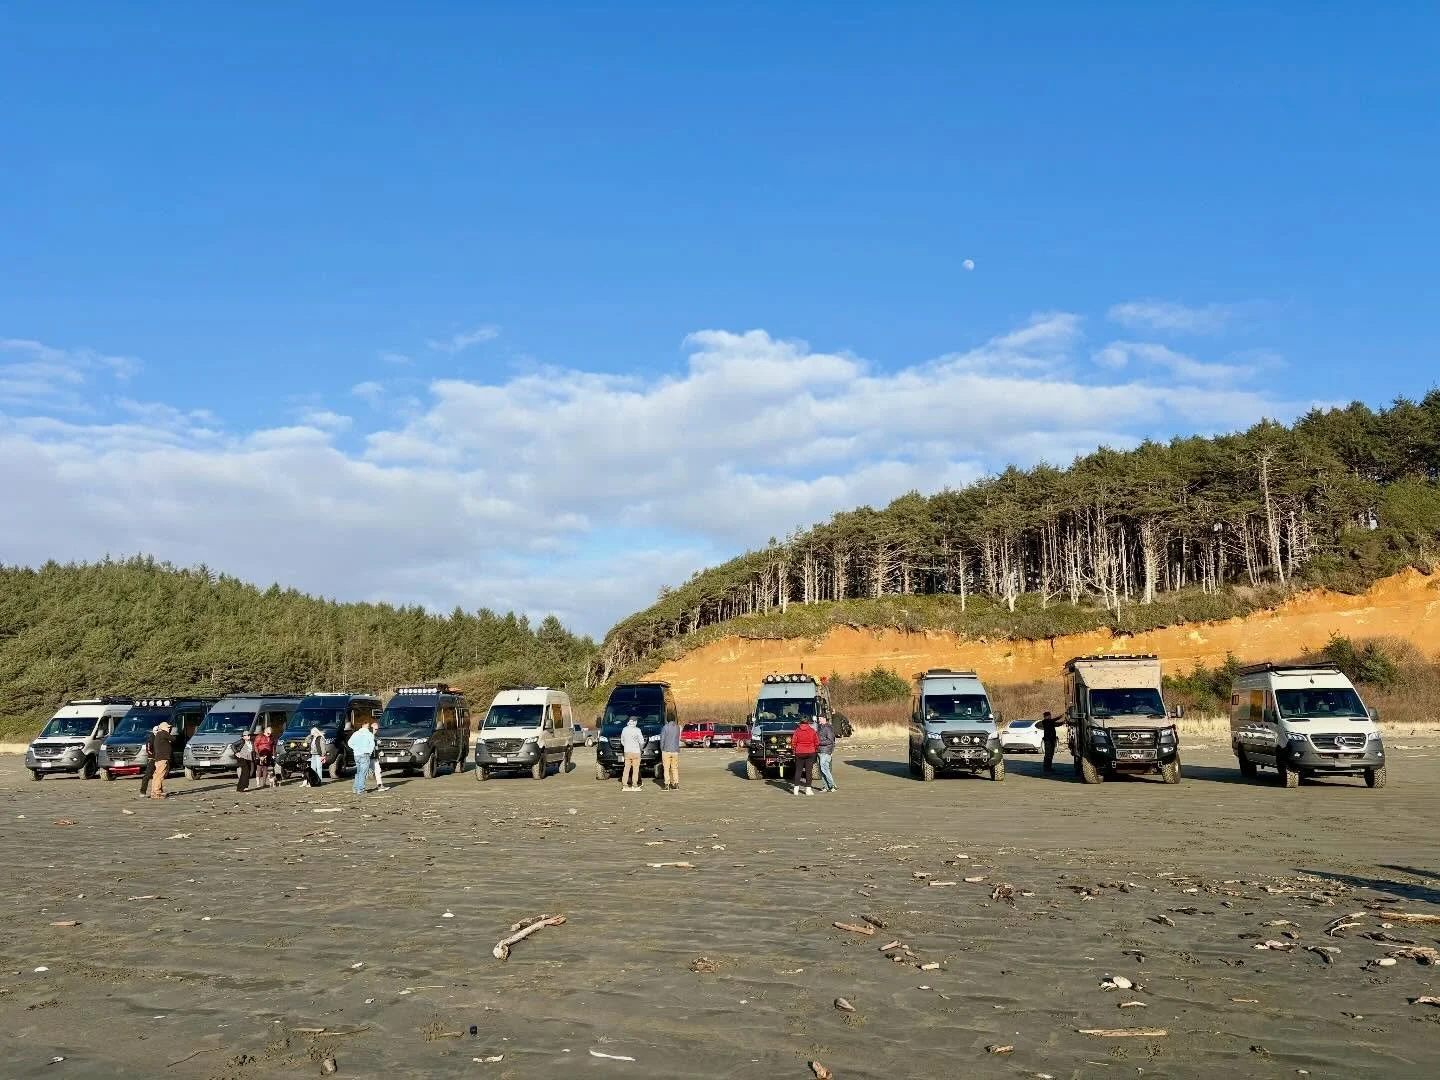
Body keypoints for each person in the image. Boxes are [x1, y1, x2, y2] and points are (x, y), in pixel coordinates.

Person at [791, 715, 819, 796]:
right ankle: (808, 789)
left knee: (798, 770)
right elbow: (816, 742)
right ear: (808, 722)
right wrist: (815, 749)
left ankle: (796, 789)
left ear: (800, 722)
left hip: (799, 752)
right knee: (808, 771)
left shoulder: (797, 731)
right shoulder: (812, 731)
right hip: (810, 752)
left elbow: (793, 742)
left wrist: (794, 750)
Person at [349, 719, 376, 795]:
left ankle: (355, 788)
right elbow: (372, 745)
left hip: (357, 754)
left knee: (358, 772)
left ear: (362, 725)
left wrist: (355, 748)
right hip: (365, 754)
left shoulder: (355, 733)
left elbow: (349, 743)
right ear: (367, 726)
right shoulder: (369, 734)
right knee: (363, 773)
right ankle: (360, 789)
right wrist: (370, 752)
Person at [149, 720, 173, 799]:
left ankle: (155, 791)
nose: (169, 729)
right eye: (168, 727)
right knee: (160, 775)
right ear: (163, 728)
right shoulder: (163, 733)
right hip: (163, 758)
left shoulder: (159, 734)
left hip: (159, 758)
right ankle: (157, 793)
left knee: (156, 775)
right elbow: (173, 738)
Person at [619, 716, 645, 791]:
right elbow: (641, 742)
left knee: (626, 769)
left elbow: (622, 741)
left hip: (627, 752)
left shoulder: (624, 729)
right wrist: (641, 749)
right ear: (635, 722)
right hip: (636, 752)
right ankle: (634, 785)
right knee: (635, 770)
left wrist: (627, 746)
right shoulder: (637, 730)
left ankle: (625, 786)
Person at [659, 713, 681, 790]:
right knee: (675, 768)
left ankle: (667, 784)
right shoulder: (677, 727)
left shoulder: (665, 727)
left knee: (666, 768)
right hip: (675, 750)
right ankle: (676, 783)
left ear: (667, 719)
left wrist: (662, 748)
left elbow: (662, 739)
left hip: (666, 750)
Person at [816, 714, 837, 793]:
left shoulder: (828, 728)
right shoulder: (820, 727)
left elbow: (830, 741)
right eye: (818, 718)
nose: (819, 720)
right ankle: (826, 786)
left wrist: (819, 742)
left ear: (824, 719)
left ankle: (832, 785)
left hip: (825, 751)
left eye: (820, 718)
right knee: (821, 770)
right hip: (819, 751)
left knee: (825, 769)